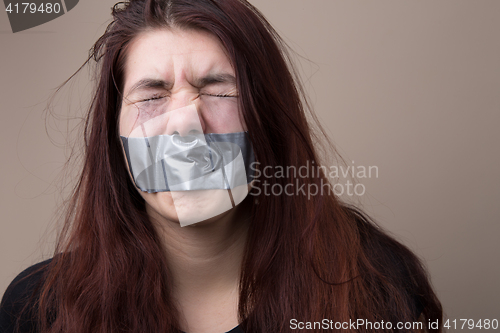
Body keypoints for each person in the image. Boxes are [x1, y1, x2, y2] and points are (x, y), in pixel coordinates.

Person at [0, 0, 442, 332]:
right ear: (113, 138)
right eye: (152, 95)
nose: (186, 127)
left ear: (266, 116)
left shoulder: (376, 282)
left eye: (218, 91)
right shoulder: (38, 309)